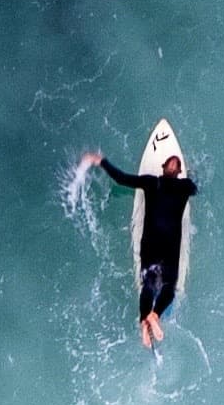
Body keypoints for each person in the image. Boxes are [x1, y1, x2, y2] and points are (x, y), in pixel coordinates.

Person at [82, 143, 198, 352]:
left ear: (166, 170)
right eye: (174, 163)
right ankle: (153, 317)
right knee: (167, 287)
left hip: (152, 244)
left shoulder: (152, 183)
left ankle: (146, 321)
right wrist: (102, 161)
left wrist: (101, 161)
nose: (173, 165)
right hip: (169, 246)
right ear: (173, 171)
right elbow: (195, 188)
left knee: (150, 284)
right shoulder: (183, 187)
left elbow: (123, 179)